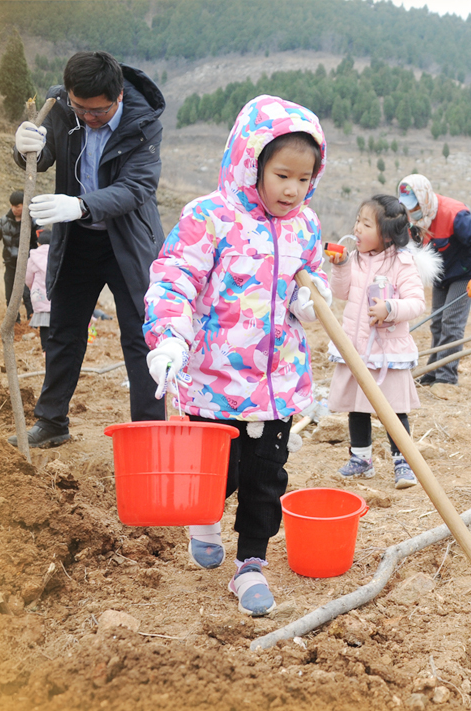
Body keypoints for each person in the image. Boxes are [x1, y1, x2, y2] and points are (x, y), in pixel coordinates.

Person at [142, 95, 330, 617]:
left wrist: (311, 300)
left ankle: (250, 565)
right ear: (252, 165)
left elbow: (306, 282)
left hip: (276, 384)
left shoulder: (305, 226)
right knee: (216, 474)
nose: (293, 189)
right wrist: (170, 338)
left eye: (303, 177)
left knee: (265, 477)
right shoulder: (210, 217)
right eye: (281, 175)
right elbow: (175, 277)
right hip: (213, 379)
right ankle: (203, 519)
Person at [11, 50, 166, 448]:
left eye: (96, 111)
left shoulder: (142, 120)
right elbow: (40, 158)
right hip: (77, 240)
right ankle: (51, 422)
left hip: (127, 242)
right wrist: (24, 144)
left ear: (117, 96)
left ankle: (148, 434)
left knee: (140, 336)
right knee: (64, 330)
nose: (86, 117)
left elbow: (137, 188)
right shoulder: (62, 106)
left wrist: (81, 204)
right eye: (79, 107)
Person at [325, 194, 440, 489]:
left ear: (387, 235)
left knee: (394, 409)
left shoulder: (402, 262)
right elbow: (341, 293)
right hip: (356, 346)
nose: (357, 229)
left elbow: (416, 303)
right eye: (357, 222)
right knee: (357, 406)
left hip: (387, 350)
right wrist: (339, 266)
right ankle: (361, 458)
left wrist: (391, 309)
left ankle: (403, 461)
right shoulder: (357, 259)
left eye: (366, 224)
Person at [396, 174, 471, 385]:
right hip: (441, 274)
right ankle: (432, 373)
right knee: (437, 324)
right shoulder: (413, 218)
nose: (412, 213)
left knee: (451, 323)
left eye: (415, 207)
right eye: (408, 208)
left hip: (464, 274)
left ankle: (446, 379)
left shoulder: (454, 214)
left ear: (424, 199)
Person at [0, 190, 37, 321]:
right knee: (10, 296)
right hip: (10, 264)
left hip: (28, 265)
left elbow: (41, 239)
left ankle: (33, 321)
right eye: (12, 206)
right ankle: (14, 322)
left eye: (18, 206)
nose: (14, 209)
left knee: (28, 295)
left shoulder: (33, 221)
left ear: (24, 205)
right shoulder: (5, 221)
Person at [25, 228, 51, 352]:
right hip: (55, 296)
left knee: (44, 323)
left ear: (38, 243)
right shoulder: (57, 255)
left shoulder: (33, 258)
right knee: (56, 321)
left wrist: (32, 288)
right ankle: (55, 347)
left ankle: (45, 348)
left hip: (39, 295)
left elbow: (28, 278)